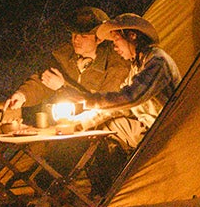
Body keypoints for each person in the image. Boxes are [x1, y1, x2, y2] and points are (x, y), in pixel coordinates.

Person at [45, 12, 179, 152]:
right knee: (104, 126)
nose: (115, 47)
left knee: (107, 128)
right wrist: (79, 122)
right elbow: (117, 106)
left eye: (116, 40)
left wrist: (87, 99)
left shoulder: (157, 61)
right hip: (150, 128)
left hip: (166, 131)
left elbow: (131, 97)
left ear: (132, 36)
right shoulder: (137, 66)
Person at [4, 6, 128, 119]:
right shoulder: (64, 55)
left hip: (99, 127)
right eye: (74, 34)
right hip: (66, 124)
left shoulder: (116, 65)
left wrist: (63, 87)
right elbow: (44, 80)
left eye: (83, 35)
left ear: (99, 39)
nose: (76, 39)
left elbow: (104, 105)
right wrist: (22, 95)